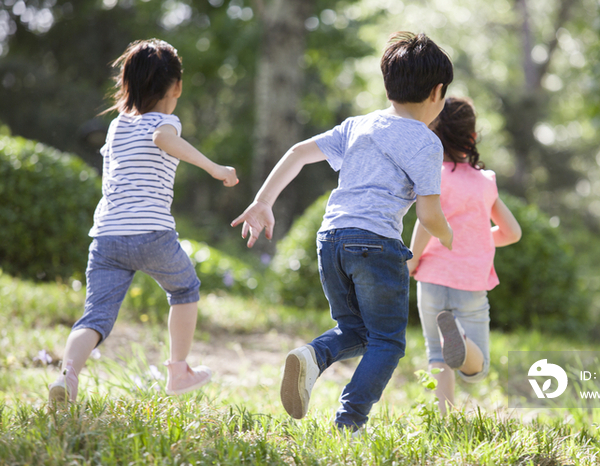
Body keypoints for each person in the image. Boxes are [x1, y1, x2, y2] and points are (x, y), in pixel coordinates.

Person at [231, 32, 454, 432]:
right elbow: (429, 212)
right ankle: (349, 421)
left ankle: (312, 355)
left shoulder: (359, 125)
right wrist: (451, 237)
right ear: (438, 92)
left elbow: (299, 152)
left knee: (355, 330)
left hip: (331, 238)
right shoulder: (425, 142)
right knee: (388, 342)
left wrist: (263, 201)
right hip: (376, 245)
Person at [48, 39, 238, 404]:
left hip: (107, 238)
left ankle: (67, 376)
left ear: (128, 86)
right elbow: (161, 137)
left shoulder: (117, 125)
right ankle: (179, 370)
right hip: (151, 233)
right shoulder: (167, 122)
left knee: (96, 316)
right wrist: (215, 168)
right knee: (184, 290)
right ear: (177, 87)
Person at [407, 97, 522, 414]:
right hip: (470, 284)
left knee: (436, 354)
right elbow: (512, 232)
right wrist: (478, 240)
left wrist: (412, 261)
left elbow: (425, 222)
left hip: (430, 279)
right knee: (477, 369)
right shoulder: (485, 182)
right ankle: (458, 336)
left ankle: (444, 419)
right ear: (472, 137)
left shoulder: (433, 176)